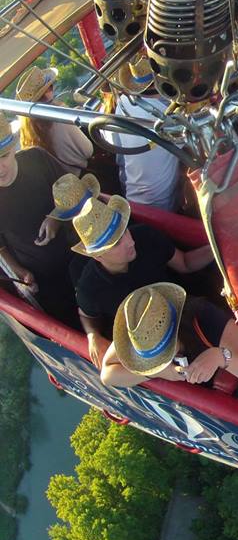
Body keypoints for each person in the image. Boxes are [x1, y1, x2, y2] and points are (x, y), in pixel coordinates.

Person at [70, 193, 214, 368]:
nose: (130, 242)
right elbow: (85, 314)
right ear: (98, 256)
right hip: (148, 346)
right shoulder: (89, 289)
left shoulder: (146, 236)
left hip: (181, 312)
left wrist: (216, 248)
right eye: (116, 243)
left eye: (124, 231)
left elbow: (184, 263)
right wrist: (93, 335)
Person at [100, 282, 238, 388]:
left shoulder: (204, 319)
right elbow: (107, 375)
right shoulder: (138, 332)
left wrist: (220, 357)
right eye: (151, 361)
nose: (158, 363)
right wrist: (157, 372)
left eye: (161, 357)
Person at [0, 114, 79, 326]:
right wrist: (20, 271)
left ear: (14, 146)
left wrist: (56, 217)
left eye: (4, 156)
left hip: (80, 253)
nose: (0, 170)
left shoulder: (36, 158)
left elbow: (74, 187)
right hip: (46, 282)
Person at [103, 56, 182, 211]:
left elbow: (120, 156)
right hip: (165, 205)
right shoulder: (170, 118)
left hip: (132, 201)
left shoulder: (123, 105)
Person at [16, 67, 93, 176]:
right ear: (46, 94)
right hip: (81, 175)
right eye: (50, 87)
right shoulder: (59, 116)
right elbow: (88, 150)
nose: (52, 90)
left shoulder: (26, 130)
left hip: (62, 186)